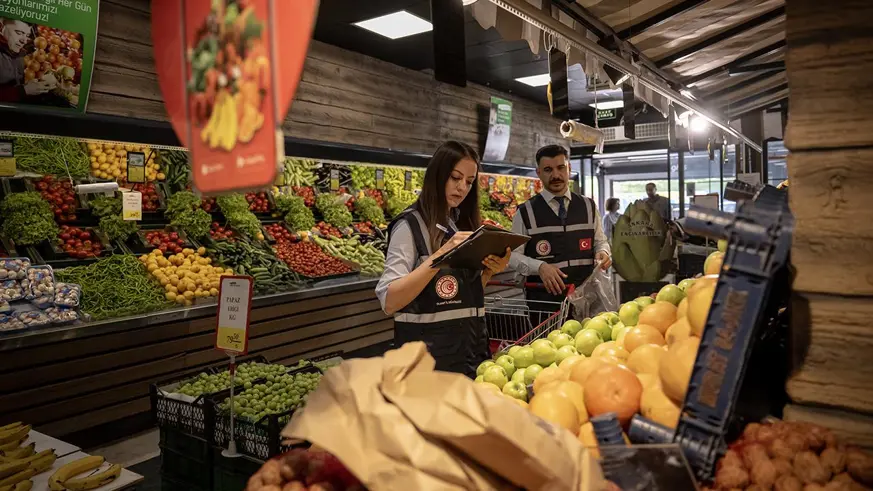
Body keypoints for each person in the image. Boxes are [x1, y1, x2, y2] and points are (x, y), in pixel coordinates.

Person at [376, 141, 511, 377]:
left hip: (469, 357)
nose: (462, 187)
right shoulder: (409, 227)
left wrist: (489, 272)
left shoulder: (457, 225)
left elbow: (455, 297)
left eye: (469, 182)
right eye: (455, 177)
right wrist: (440, 255)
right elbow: (389, 301)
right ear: (438, 175)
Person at [509, 144, 611, 306]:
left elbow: (600, 241)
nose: (556, 175)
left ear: (569, 168)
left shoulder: (588, 206)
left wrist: (603, 251)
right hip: (545, 305)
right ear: (539, 173)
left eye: (561, 168)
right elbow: (512, 257)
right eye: (548, 170)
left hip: (587, 299)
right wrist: (540, 267)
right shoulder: (525, 212)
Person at [0, 18, 54, 102]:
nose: (24, 41)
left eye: (27, 35)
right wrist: (23, 90)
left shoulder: (21, 54)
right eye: (19, 33)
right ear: (1, 27)